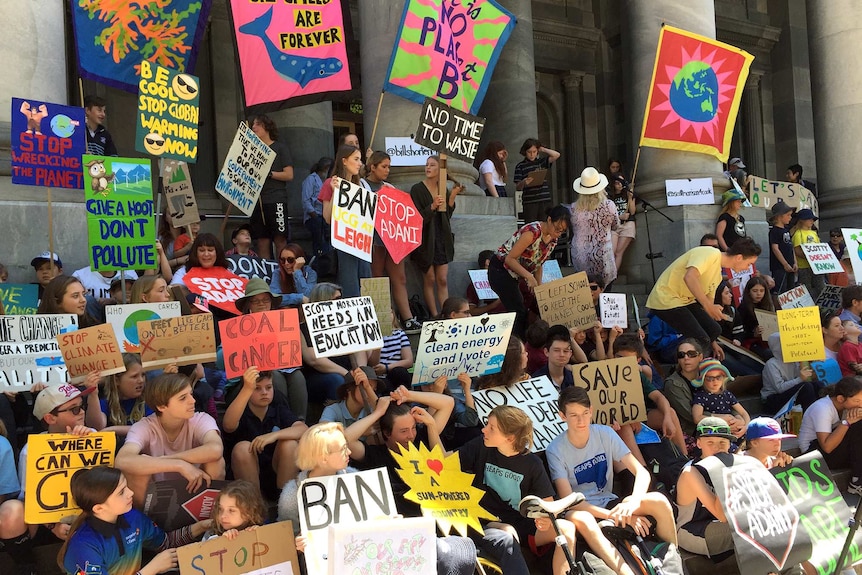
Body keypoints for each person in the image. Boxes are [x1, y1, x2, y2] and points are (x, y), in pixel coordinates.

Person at [278, 421, 477, 575]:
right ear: (322, 457)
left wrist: (390, 523)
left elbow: (373, 522)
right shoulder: (292, 494)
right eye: (342, 449)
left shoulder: (355, 477)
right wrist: (297, 545)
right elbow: (283, 543)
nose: (349, 452)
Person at [547, 387, 678, 575]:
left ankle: (673, 560)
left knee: (659, 500)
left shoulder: (605, 433)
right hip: (581, 510)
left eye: (585, 413)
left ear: (591, 410)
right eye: (574, 415)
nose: (581, 420)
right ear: (562, 416)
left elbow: (641, 472)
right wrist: (617, 516)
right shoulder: (555, 449)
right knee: (583, 518)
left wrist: (633, 502)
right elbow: (569, 501)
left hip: (609, 502)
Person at [456, 406, 577, 575]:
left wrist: (545, 520)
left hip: (522, 523)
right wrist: (432, 426)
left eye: (492, 428)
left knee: (567, 529)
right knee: (508, 532)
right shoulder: (480, 446)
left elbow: (547, 505)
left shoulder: (533, 463)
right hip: (488, 520)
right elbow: (444, 462)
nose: (484, 430)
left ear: (510, 438)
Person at [58, 466, 207, 575]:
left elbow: (166, 543)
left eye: (126, 486)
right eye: (122, 492)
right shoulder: (83, 546)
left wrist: (202, 526)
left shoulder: (133, 518)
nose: (131, 493)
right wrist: (151, 569)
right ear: (99, 508)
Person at [115, 373, 226, 507]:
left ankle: (210, 515)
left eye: (191, 394)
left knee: (216, 461)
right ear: (162, 406)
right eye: (183, 398)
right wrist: (179, 465)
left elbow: (215, 449)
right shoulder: (144, 426)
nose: (193, 401)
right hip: (155, 495)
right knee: (134, 470)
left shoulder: (201, 419)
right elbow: (122, 460)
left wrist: (168, 459)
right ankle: (146, 523)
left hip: (197, 485)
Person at [645, 237, 762, 360]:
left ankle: (698, 361)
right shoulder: (709, 253)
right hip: (667, 298)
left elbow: (707, 308)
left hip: (684, 301)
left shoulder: (717, 275)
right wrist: (708, 306)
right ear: (739, 257)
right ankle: (687, 370)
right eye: (749, 264)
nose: (748, 268)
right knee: (701, 339)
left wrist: (714, 338)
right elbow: (690, 277)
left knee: (715, 329)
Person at [222, 367, 307, 497]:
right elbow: (228, 425)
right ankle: (254, 508)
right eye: (257, 388)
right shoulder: (240, 410)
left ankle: (286, 503)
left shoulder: (277, 408)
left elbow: (303, 429)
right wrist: (247, 387)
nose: (264, 392)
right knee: (242, 448)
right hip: (246, 478)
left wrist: (274, 435)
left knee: (289, 443)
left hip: (276, 473)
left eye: (268, 387)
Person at [488, 205, 569, 339]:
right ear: (549, 220)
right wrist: (529, 277)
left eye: (562, 231)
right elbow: (510, 259)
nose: (558, 233)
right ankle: (516, 345)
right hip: (500, 270)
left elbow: (539, 263)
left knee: (533, 305)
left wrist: (539, 287)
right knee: (518, 310)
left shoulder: (553, 239)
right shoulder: (532, 232)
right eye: (557, 229)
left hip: (519, 274)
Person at [230, 278, 308, 419]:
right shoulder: (237, 327)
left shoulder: (283, 321)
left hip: (286, 367)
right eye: (256, 300)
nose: (261, 304)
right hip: (254, 374)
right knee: (275, 377)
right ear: (249, 305)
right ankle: (282, 420)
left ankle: (299, 421)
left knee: (298, 376)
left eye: (265, 300)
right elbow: (224, 356)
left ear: (271, 303)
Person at [365, 151, 421, 332]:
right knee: (377, 277)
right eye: (383, 166)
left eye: (389, 166)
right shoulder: (362, 185)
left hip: (394, 239)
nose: (387, 170)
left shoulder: (389, 186)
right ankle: (380, 319)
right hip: (373, 239)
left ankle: (407, 318)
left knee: (400, 278)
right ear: (372, 167)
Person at [674, 417, 736, 559]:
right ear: (699, 443)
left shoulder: (731, 462)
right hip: (692, 530)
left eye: (722, 442)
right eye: (710, 442)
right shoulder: (691, 472)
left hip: (721, 523)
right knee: (749, 529)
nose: (717, 448)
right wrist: (725, 475)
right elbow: (721, 515)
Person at [410, 155, 464, 317]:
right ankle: (435, 315)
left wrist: (452, 196)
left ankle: (446, 314)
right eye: (427, 165)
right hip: (426, 240)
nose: (428, 168)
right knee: (430, 278)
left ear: (440, 170)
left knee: (442, 279)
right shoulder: (417, 189)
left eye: (432, 165)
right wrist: (432, 206)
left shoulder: (443, 189)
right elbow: (415, 217)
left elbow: (447, 215)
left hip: (442, 238)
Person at [320, 144, 371, 298]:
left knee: (366, 284)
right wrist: (336, 192)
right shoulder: (330, 183)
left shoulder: (360, 185)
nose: (360, 163)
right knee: (351, 289)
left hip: (362, 244)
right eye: (356, 159)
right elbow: (328, 218)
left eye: (360, 159)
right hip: (343, 244)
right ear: (344, 161)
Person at [797, 376, 862, 495]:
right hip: (813, 455)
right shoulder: (822, 408)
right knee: (858, 425)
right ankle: (856, 481)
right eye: (857, 401)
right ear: (841, 398)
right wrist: (847, 422)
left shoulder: (844, 408)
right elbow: (827, 446)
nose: (860, 405)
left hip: (834, 450)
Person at [249, 114, 294, 259]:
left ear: (267, 127)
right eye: (253, 124)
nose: (253, 127)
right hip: (257, 201)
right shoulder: (252, 149)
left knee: (280, 238)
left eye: (257, 124)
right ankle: (266, 275)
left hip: (276, 199)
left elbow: (289, 175)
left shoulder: (280, 148)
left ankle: (284, 273)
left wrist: (269, 174)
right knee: (262, 240)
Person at [568, 167, 619, 286]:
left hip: (581, 258)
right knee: (605, 297)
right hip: (603, 257)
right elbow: (616, 225)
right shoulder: (609, 205)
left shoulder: (573, 208)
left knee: (585, 299)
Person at [88, 353, 153, 436]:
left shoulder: (149, 401)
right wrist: (93, 394)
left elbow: (150, 428)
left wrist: (113, 430)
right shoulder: (106, 403)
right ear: (117, 380)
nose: (141, 380)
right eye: (134, 376)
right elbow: (96, 427)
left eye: (143, 375)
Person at [761, 332, 819, 413]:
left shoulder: (793, 361)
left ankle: (820, 412)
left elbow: (800, 380)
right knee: (806, 387)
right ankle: (810, 416)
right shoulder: (771, 364)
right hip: (772, 399)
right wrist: (800, 379)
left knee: (817, 384)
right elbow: (780, 388)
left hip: (788, 395)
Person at [690, 359, 751, 434]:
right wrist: (719, 420)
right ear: (703, 380)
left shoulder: (727, 394)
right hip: (713, 431)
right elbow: (697, 418)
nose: (715, 381)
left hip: (734, 429)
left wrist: (745, 426)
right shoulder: (701, 396)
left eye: (718, 377)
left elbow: (743, 413)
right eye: (710, 378)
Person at [513, 138, 560, 222]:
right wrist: (524, 182)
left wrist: (543, 149)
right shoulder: (520, 166)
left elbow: (556, 155)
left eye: (534, 152)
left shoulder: (541, 162)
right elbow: (517, 187)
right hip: (530, 202)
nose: (532, 154)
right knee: (531, 226)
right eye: (529, 152)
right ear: (525, 152)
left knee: (545, 224)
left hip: (544, 199)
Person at [734, 275, 774, 359]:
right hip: (751, 342)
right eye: (755, 291)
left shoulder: (768, 305)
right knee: (769, 354)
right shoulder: (743, 308)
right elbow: (740, 331)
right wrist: (754, 333)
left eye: (761, 291)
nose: (759, 294)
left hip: (768, 340)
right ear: (749, 292)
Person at [302, 157, 333, 257]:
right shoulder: (311, 179)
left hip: (326, 216)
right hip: (314, 216)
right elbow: (306, 200)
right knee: (320, 241)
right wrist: (315, 215)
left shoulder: (328, 181)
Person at [792, 208, 825, 299]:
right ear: (802, 220)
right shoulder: (798, 234)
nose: (812, 221)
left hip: (816, 266)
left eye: (812, 219)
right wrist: (810, 258)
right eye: (809, 219)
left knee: (820, 287)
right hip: (804, 266)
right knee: (807, 288)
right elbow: (797, 250)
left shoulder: (813, 233)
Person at [608, 173, 636, 272]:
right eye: (617, 183)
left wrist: (630, 198)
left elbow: (632, 212)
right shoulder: (610, 197)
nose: (619, 185)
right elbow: (608, 215)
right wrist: (620, 216)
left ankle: (613, 275)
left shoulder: (628, 194)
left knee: (619, 253)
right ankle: (609, 273)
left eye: (621, 183)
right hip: (615, 226)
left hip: (627, 225)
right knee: (611, 251)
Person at [768, 202, 797, 293]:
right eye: (788, 215)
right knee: (781, 290)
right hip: (779, 267)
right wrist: (784, 264)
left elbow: (791, 247)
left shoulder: (786, 230)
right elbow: (775, 248)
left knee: (791, 289)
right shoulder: (774, 231)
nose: (790, 217)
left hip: (790, 264)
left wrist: (795, 262)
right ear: (779, 216)